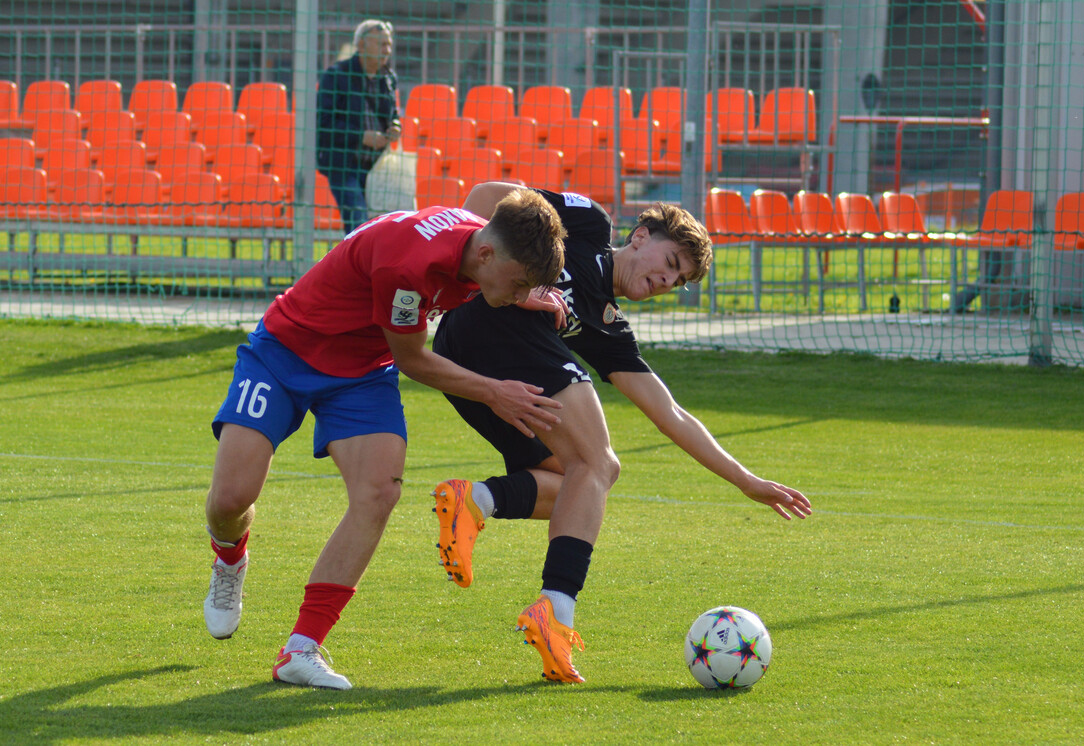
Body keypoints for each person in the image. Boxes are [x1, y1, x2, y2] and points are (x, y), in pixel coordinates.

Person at [431, 183, 811, 684]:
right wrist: (484, 279)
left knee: (576, 482)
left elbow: (671, 413)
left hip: (475, 368)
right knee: (599, 464)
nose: (667, 279)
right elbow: (486, 198)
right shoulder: (588, 222)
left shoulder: (608, 329)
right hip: (483, 329)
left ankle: (476, 500)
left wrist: (745, 481)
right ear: (640, 235)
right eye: (671, 261)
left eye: (679, 280)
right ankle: (555, 612)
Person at [202, 191, 568, 690]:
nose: (518, 293)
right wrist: (494, 393)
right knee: (231, 498)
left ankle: (300, 649)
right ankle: (229, 556)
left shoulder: (482, 247)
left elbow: (494, 269)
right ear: (486, 255)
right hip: (286, 350)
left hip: (361, 372)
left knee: (379, 492)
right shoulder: (408, 266)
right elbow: (415, 360)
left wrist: (524, 292)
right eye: (519, 282)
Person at [316, 19, 402, 234]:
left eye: (389, 44)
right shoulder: (336, 76)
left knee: (374, 226)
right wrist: (361, 136)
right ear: (361, 45)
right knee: (357, 219)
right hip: (343, 163)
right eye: (381, 44)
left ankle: (359, 265)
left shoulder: (388, 78)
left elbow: (392, 113)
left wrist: (394, 126)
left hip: (374, 165)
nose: (387, 50)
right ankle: (356, 266)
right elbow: (323, 124)